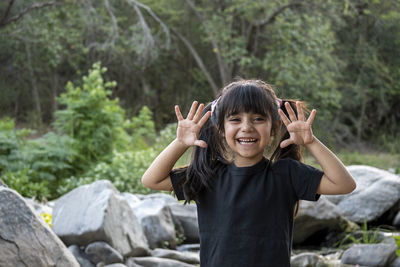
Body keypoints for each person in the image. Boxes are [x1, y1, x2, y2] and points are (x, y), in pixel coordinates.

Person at [141, 80, 356, 267]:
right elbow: (152, 180)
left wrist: (311, 142)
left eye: (258, 119)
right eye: (235, 119)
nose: (246, 127)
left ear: (275, 127)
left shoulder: (285, 173)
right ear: (220, 129)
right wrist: (180, 143)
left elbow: (343, 184)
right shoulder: (209, 175)